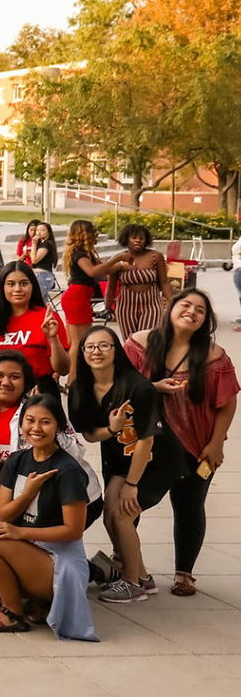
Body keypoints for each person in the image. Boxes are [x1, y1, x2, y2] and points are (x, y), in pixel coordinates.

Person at [0, 393, 98, 639]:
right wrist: (28, 493)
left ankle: (12, 612)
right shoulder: (18, 460)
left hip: (58, 560)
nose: (36, 428)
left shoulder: (68, 471)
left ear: (58, 426)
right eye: (30, 420)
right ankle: (30, 600)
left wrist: (19, 532)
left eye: (45, 422)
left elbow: (73, 531)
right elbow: (4, 513)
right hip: (25, 551)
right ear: (21, 424)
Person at [125, 288, 237, 598]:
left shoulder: (214, 356)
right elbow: (118, 384)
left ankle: (184, 573)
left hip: (198, 447)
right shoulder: (140, 343)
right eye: (185, 305)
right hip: (150, 446)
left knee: (190, 506)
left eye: (200, 310)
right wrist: (153, 387)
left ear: (206, 320)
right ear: (170, 308)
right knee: (133, 502)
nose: (192, 312)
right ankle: (129, 564)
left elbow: (227, 403)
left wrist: (217, 443)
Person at [68, 325, 174, 604]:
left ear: (116, 350)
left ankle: (131, 583)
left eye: (104, 345)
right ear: (82, 353)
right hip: (119, 461)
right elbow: (90, 434)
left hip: (153, 462)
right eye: (90, 347)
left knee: (122, 514)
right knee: (109, 515)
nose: (96, 352)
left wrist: (132, 485)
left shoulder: (137, 386)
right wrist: (112, 429)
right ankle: (143, 578)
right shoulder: (80, 388)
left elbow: (146, 442)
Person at [0, 260, 69, 384]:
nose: (18, 289)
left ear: (33, 285)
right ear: (2, 287)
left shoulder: (48, 318)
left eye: (23, 283)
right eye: (11, 284)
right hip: (1, 394)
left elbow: (64, 369)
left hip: (37, 394)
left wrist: (53, 339)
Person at [61, 219, 126, 357]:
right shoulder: (79, 254)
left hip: (78, 297)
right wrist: (116, 259)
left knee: (75, 341)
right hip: (77, 298)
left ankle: (67, 374)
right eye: (93, 232)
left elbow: (105, 269)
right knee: (80, 342)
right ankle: (74, 377)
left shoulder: (87, 253)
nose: (96, 235)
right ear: (84, 234)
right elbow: (93, 271)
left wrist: (121, 265)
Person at [107, 224, 170, 338]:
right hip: (126, 307)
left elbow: (164, 282)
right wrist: (107, 308)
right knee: (130, 342)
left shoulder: (155, 256)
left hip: (151, 306)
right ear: (127, 239)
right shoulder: (118, 259)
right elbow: (111, 286)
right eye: (134, 237)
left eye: (141, 238)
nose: (138, 241)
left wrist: (172, 303)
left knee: (147, 339)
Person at [21, 219, 58, 299]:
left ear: (48, 232)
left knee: (35, 299)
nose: (39, 232)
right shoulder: (41, 244)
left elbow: (34, 260)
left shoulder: (47, 244)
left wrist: (34, 244)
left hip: (42, 275)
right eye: (37, 230)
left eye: (43, 230)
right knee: (42, 302)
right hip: (37, 274)